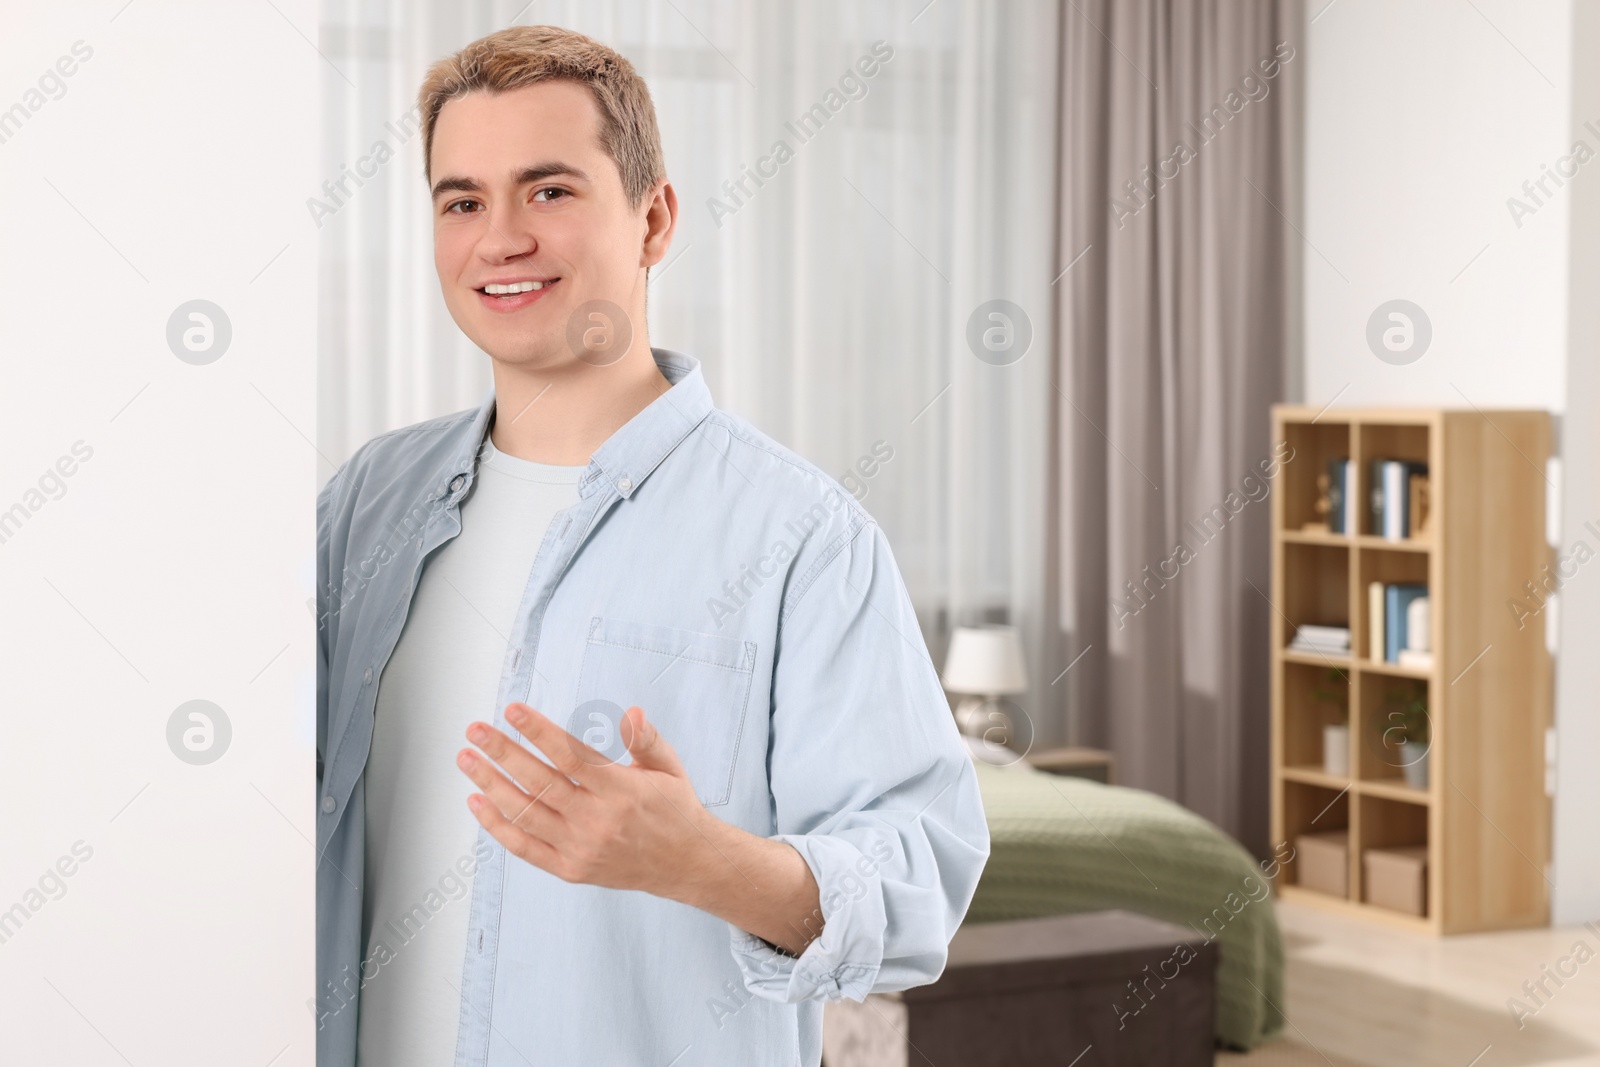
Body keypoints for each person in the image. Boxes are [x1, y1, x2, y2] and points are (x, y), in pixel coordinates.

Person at [314, 24, 989, 1067]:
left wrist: (705, 861)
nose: (498, 238)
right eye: (462, 201)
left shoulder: (801, 536)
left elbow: (918, 884)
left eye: (548, 190)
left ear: (654, 218)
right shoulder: (367, 501)